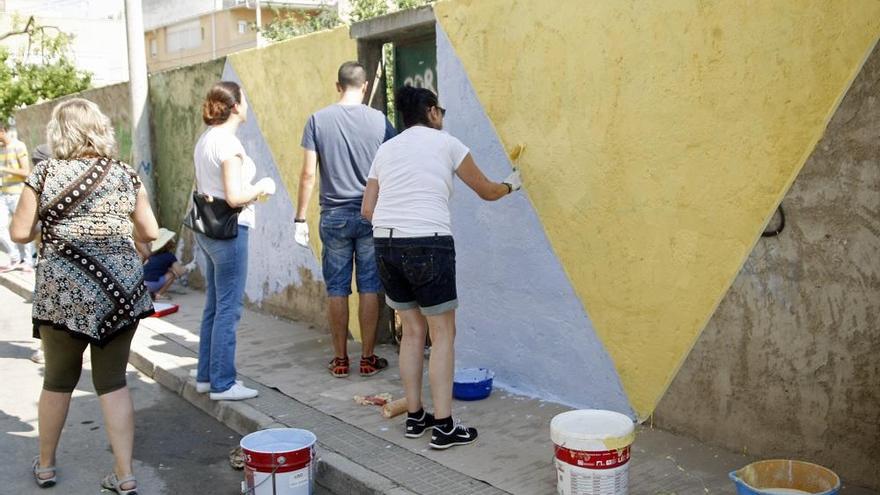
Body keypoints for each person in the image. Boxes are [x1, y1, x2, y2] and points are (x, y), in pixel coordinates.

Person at [361, 86, 522, 450]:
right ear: (432, 111)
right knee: (443, 333)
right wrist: (512, 183)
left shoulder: (386, 150)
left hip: (385, 243)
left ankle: (417, 417)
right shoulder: (447, 143)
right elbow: (487, 191)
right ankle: (445, 426)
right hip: (427, 242)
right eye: (441, 110)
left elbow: (367, 210)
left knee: (413, 331)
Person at [11, 98, 158, 493]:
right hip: (119, 291)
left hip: (63, 291)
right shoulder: (125, 174)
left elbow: (19, 233)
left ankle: (45, 466)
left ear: (58, 133)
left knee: (58, 380)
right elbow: (150, 231)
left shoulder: (43, 175)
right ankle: (125, 474)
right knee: (113, 380)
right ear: (101, 129)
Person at [296, 61, 396, 378]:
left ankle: (340, 360)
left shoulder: (317, 121)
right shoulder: (380, 121)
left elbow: (309, 174)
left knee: (337, 289)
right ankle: (367, 358)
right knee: (370, 286)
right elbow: (392, 166)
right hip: (371, 213)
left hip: (334, 216)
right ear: (364, 86)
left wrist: (300, 217)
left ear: (337, 85)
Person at [193, 81, 275, 401]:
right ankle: (223, 383)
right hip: (230, 231)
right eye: (245, 99)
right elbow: (234, 196)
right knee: (229, 308)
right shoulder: (228, 144)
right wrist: (262, 186)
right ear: (236, 106)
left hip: (209, 232)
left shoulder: (206, 141)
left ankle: (205, 376)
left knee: (214, 306)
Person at [0, 122, 34, 272]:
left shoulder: (19, 146)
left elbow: (26, 171)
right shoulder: (0, 150)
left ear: (2, 131)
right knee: (1, 227)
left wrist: (3, 168)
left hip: (18, 193)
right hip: (3, 192)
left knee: (23, 229)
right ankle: (14, 258)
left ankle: (28, 261)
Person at [141, 227, 191, 300]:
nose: (173, 241)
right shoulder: (169, 256)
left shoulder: (151, 255)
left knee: (166, 271)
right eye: (171, 240)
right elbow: (179, 272)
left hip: (142, 285)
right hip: (151, 285)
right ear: (167, 243)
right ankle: (158, 294)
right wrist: (188, 268)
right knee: (172, 275)